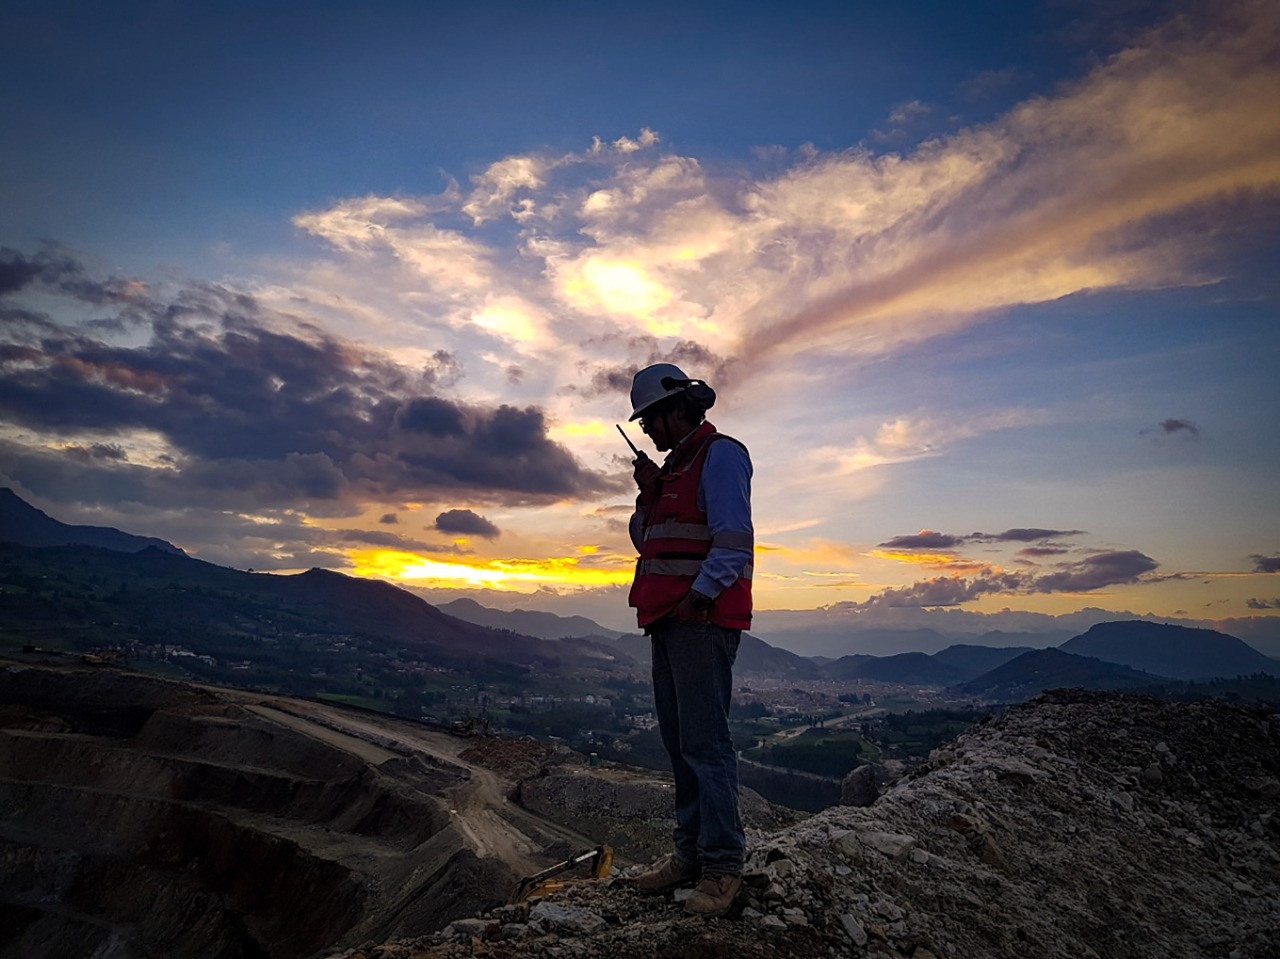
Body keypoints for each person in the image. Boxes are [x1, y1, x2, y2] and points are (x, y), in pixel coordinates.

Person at [625, 362, 753, 918]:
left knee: (706, 745)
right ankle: (691, 855)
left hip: (697, 621)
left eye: (652, 418)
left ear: (678, 409)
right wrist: (648, 495)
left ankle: (722, 866)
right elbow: (646, 541)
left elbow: (733, 543)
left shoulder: (720, 455)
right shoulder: (674, 469)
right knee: (681, 744)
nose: (648, 430)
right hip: (669, 620)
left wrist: (697, 600)